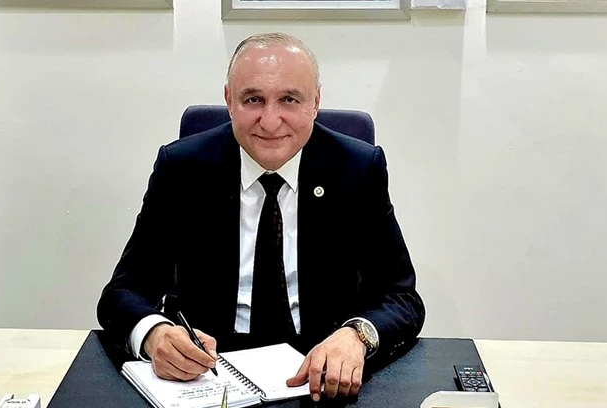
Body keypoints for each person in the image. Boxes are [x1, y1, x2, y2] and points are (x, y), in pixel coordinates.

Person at [97, 32, 425, 401]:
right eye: (253, 99)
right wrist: (155, 333)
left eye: (289, 99)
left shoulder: (358, 169)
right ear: (229, 101)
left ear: (315, 103)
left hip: (320, 367)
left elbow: (401, 296)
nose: (270, 122)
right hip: (208, 372)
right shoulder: (183, 168)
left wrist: (356, 336)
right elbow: (123, 292)